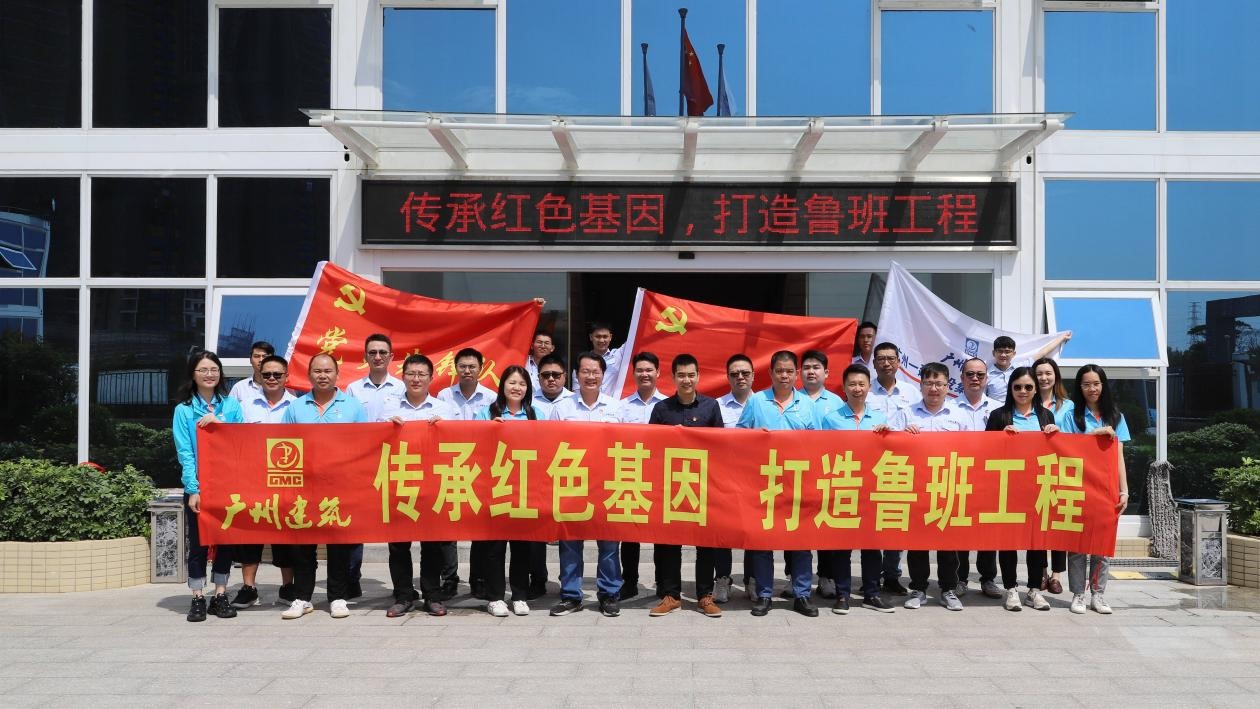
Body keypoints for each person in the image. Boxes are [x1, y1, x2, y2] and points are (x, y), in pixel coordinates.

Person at [280, 353, 369, 620]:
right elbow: (283, 444)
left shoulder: (353, 407)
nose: (323, 375)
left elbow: (364, 446)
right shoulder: (295, 408)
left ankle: (338, 597)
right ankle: (302, 597)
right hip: (304, 486)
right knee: (302, 544)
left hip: (341, 485)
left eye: (328, 371)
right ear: (309, 375)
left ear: (337, 375)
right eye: (317, 371)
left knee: (338, 544)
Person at [736, 350, 819, 617]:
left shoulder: (808, 405)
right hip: (764, 483)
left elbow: (820, 444)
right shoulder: (756, 401)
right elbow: (738, 436)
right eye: (779, 371)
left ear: (797, 374)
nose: (784, 376)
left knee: (801, 543)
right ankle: (764, 594)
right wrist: (754, 437)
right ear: (771, 373)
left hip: (798, 484)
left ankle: (802, 594)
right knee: (763, 543)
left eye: (789, 371)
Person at [378, 353, 459, 618]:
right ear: (403, 377)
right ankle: (403, 595)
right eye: (411, 374)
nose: (416, 379)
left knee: (432, 544)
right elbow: (373, 442)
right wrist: (386, 429)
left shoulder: (444, 409)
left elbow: (458, 444)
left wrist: (444, 429)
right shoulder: (388, 408)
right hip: (399, 482)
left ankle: (432, 595)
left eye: (421, 374)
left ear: (431, 378)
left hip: (432, 484)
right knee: (398, 544)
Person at [645, 354, 726, 618]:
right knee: (670, 543)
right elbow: (651, 447)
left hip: (702, 485)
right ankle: (671, 595)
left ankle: (704, 596)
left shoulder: (711, 407)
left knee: (705, 543)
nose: (686, 380)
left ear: (698, 376)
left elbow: (720, 445)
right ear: (673, 378)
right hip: (671, 486)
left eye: (691, 375)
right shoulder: (662, 409)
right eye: (681, 375)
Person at [548, 351, 625, 618]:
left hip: (607, 484)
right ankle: (571, 596)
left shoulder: (616, 408)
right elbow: (550, 445)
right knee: (570, 543)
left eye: (595, 372)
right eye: (585, 371)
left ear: (603, 375)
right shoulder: (562, 408)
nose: (590, 376)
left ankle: (609, 594)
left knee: (609, 544)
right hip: (572, 483)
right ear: (576, 375)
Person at [818, 364, 895, 615]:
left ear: (869, 387)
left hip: (872, 490)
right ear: (844, 387)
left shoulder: (879, 418)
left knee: (872, 546)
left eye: (862, 384)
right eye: (852, 384)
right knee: (842, 547)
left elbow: (890, 452)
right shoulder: (831, 419)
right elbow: (822, 453)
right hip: (843, 489)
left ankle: (872, 593)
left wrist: (888, 435)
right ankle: (843, 594)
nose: (857, 388)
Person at [889, 362, 967, 612]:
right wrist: (902, 434)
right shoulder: (906, 413)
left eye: (939, 384)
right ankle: (918, 588)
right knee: (917, 542)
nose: (934, 388)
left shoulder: (959, 415)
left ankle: (948, 589)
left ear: (947, 386)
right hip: (916, 486)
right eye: (929, 383)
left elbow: (974, 448)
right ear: (921, 385)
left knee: (948, 543)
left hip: (948, 485)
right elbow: (888, 443)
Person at [173, 349, 244, 622]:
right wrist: (193, 489)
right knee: (199, 544)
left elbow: (242, 440)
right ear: (193, 374)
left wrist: (220, 422)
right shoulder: (184, 410)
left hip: (228, 487)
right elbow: (185, 453)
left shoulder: (231, 406)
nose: (209, 374)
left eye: (214, 369)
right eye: (203, 369)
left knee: (225, 542)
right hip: (200, 488)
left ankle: (220, 595)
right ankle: (198, 597)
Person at [984, 366, 1061, 612]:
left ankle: (1034, 590)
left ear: (1036, 389)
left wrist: (1055, 435)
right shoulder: (999, 415)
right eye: (1017, 387)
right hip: (1008, 488)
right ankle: (1011, 588)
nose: (1023, 391)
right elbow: (984, 451)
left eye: (1028, 386)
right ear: (1011, 389)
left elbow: (1055, 451)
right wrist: (1000, 437)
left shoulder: (1046, 416)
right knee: (1008, 540)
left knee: (1037, 542)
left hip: (1038, 487)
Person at [472, 365, 541, 617]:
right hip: (494, 487)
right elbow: (472, 445)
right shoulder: (486, 412)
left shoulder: (536, 414)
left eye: (522, 384)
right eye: (512, 383)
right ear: (502, 386)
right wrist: (489, 429)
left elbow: (546, 447)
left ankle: (520, 595)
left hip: (524, 487)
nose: (516, 388)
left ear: (528, 389)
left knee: (522, 546)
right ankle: (495, 597)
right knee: (494, 547)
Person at [1062, 364, 1130, 615]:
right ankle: (1078, 594)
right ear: (1079, 387)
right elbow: (1066, 449)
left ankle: (1098, 595)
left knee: (1102, 544)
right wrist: (1094, 435)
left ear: (1103, 385)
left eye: (1096, 383)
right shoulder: (1071, 416)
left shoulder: (1116, 416)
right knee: (1077, 545)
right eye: (1086, 384)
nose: (1092, 389)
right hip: (1078, 487)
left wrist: (1124, 490)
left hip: (1106, 488)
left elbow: (1119, 456)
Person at [232, 354, 298, 609]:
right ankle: (249, 588)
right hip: (253, 479)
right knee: (250, 534)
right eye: (266, 374)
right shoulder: (244, 405)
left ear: (286, 377)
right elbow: (231, 437)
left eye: (277, 374)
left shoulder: (297, 406)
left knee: (286, 534)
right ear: (259, 375)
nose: (271, 378)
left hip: (286, 479)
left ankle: (288, 587)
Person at [344, 333, 406, 598]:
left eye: (382, 352)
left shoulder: (403, 387)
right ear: (365, 357)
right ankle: (351, 580)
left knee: (396, 525)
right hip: (361, 463)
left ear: (391, 357)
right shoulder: (353, 389)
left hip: (394, 463)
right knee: (355, 523)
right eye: (372, 352)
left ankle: (401, 586)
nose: (378, 357)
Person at [436, 346, 495, 597]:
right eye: (463, 366)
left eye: (472, 366)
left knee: (480, 527)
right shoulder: (443, 396)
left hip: (481, 468)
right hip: (450, 466)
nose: (467, 371)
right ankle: (449, 578)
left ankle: (478, 578)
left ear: (481, 369)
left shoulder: (491, 397)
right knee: (447, 528)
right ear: (455, 368)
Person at [867, 341, 920, 595]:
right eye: (881, 359)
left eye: (891, 358)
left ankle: (891, 575)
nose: (886, 363)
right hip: (870, 464)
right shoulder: (866, 390)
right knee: (872, 522)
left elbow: (919, 422)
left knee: (895, 521)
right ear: (874, 363)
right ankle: (871, 575)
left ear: (899, 362)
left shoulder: (912, 392)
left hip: (901, 465)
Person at [617, 351, 667, 600]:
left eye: (649, 370)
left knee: (662, 532)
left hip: (661, 476)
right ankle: (630, 582)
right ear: (633, 373)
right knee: (629, 533)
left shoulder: (668, 404)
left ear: (658, 373)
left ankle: (663, 581)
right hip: (631, 472)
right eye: (640, 370)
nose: (645, 374)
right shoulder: (622, 406)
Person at [954, 357, 1004, 601]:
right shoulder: (950, 407)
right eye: (970, 374)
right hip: (959, 476)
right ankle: (959, 578)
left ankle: (988, 579)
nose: (975, 378)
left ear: (987, 378)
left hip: (990, 478)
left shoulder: (999, 409)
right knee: (960, 530)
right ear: (962, 378)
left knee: (988, 530)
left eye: (980, 375)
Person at [800, 349, 845, 598]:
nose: (811, 371)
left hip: (829, 472)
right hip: (799, 473)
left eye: (816, 367)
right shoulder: (792, 399)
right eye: (807, 367)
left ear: (826, 373)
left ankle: (826, 576)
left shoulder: (837, 402)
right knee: (798, 525)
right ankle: (795, 577)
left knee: (826, 525)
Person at [713, 353, 755, 602]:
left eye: (745, 373)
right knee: (723, 532)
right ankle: (722, 579)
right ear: (727, 377)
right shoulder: (716, 405)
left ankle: (752, 579)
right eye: (735, 374)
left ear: (753, 376)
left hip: (755, 479)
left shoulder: (764, 403)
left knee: (753, 531)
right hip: (724, 479)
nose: (740, 377)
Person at [1034, 356, 1074, 595]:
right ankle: (1040, 571)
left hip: (1060, 471)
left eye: (1048, 373)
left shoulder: (1068, 406)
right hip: (1035, 471)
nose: (1043, 378)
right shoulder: (1027, 402)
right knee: (1038, 523)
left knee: (1059, 523)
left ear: (1055, 376)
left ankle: (1057, 575)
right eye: (1039, 373)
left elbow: (1075, 437)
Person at [986, 332, 1072, 403]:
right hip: (995, 415)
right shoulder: (986, 375)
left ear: (1013, 354)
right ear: (993, 353)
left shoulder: (1020, 368)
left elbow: (1042, 353)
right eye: (1000, 351)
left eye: (1007, 352)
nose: (1003, 355)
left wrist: (1061, 338)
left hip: (1018, 414)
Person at [571, 321, 627, 397]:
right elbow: (576, 391)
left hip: (612, 403)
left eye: (605, 336)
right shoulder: (582, 362)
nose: (601, 340)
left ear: (610, 337)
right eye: (598, 336)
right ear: (591, 337)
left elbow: (635, 337)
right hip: (588, 403)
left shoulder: (618, 355)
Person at [228, 340, 274, 405]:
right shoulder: (239, 387)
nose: (261, 360)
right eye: (256, 356)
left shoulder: (282, 387)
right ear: (250, 360)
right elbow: (229, 410)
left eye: (265, 356)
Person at [532, 353, 573, 421]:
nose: (551, 379)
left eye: (556, 374)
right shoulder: (529, 402)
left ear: (565, 376)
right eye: (546, 375)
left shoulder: (575, 401)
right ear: (538, 377)